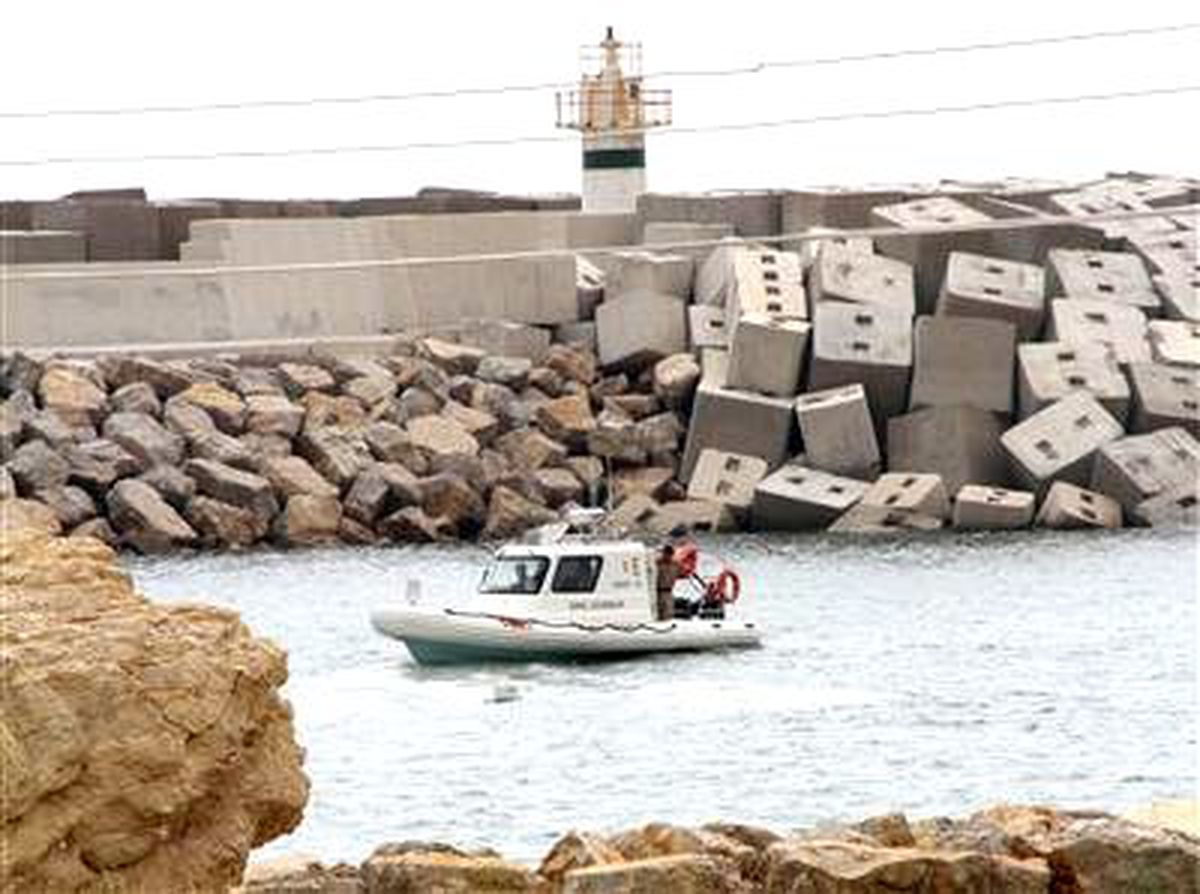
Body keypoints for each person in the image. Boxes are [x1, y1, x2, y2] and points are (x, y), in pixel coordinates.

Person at [655, 544, 680, 620]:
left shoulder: (675, 564)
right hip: (658, 591)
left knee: (668, 614)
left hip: (668, 592)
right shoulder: (657, 563)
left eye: (667, 553)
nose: (665, 555)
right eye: (664, 553)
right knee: (657, 613)